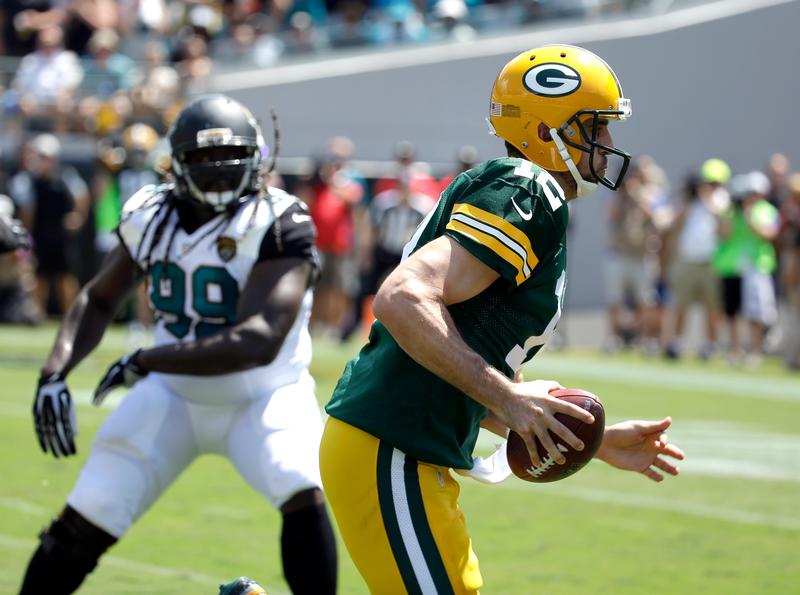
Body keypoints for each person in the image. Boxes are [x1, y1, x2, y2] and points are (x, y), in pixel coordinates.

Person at [319, 44, 685, 593]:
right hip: (392, 442)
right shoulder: (526, 188)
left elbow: (461, 359)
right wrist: (510, 397)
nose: (608, 144)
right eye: (595, 128)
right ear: (546, 132)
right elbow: (402, 299)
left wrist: (595, 440)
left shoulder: (535, 203)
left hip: (409, 446)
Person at [19, 94, 337, 595]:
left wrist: (146, 358)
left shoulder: (278, 220)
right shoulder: (150, 215)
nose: (217, 173)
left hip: (264, 395)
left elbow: (257, 339)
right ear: (177, 164)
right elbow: (99, 298)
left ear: (256, 160)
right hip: (173, 396)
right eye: (203, 161)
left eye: (228, 160)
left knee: (297, 479)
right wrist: (53, 371)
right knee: (92, 508)